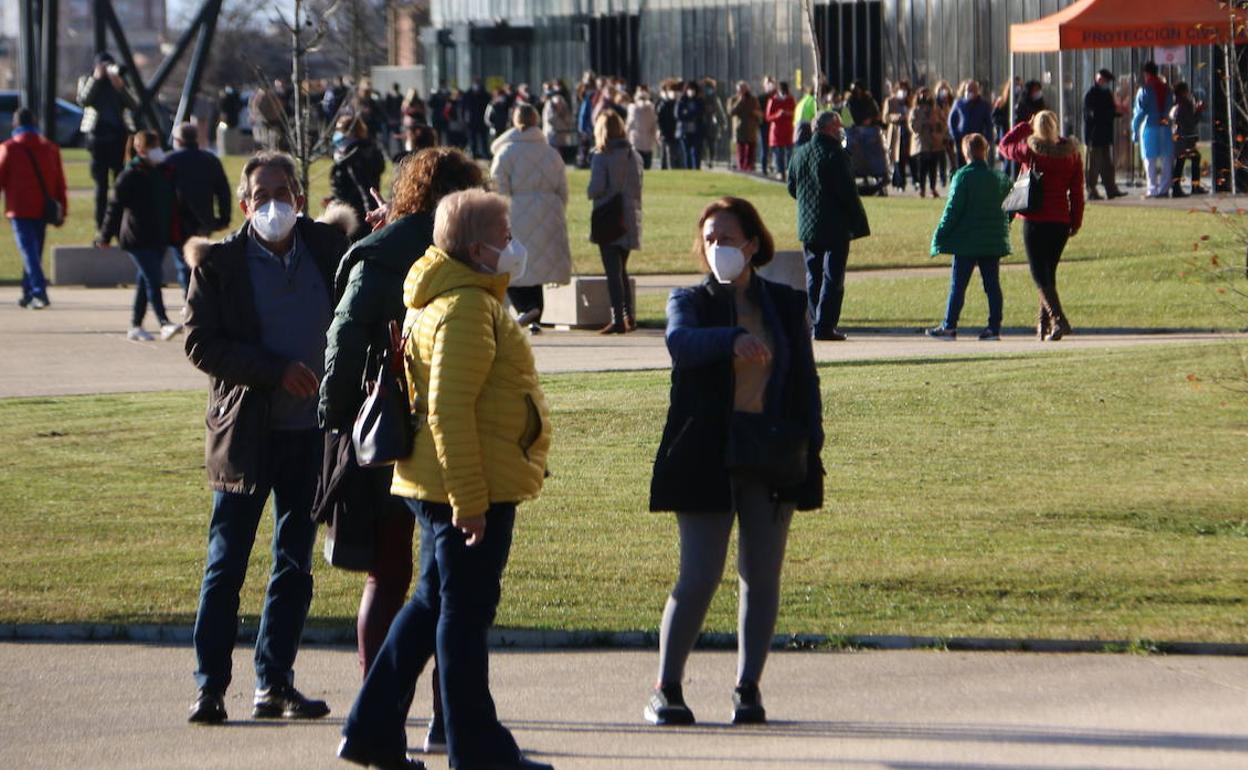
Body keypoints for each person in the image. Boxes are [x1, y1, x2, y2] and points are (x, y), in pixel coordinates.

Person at [336, 188, 553, 770]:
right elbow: (448, 411)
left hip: (447, 485)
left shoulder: (459, 296)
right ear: (478, 246)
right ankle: (475, 748)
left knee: (435, 604)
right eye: (505, 234)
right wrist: (470, 502)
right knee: (462, 617)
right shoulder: (463, 306)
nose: (514, 244)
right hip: (466, 489)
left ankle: (372, 730)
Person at [320, 146, 485, 756]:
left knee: (390, 578)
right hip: (444, 436)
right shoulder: (464, 248)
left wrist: (333, 420)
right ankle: (446, 717)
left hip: (383, 432)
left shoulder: (381, 250)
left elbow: (342, 335)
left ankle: (380, 710)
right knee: (449, 585)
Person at [182, 151, 353, 725]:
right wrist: (272, 369)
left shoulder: (328, 250)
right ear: (243, 202)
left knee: (294, 564)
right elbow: (201, 344)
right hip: (246, 438)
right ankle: (210, 687)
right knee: (226, 563)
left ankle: (274, 682)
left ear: (300, 199)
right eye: (261, 194)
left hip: (310, 437)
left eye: (283, 192)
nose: (273, 204)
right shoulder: (219, 263)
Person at [645, 195, 823, 727]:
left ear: (753, 243)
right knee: (698, 575)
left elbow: (805, 382)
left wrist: (810, 447)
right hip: (706, 453)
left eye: (727, 238)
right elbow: (680, 342)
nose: (718, 247)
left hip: (771, 451)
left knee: (761, 575)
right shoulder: (690, 301)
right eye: (709, 239)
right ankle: (666, 688)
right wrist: (731, 339)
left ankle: (748, 688)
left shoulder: (787, 305)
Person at [999, 110, 1084, 341]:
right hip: (1060, 221)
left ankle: (1058, 318)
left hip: (1035, 219)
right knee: (1048, 274)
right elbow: (1076, 192)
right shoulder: (1072, 155)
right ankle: (1044, 325)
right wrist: (1076, 221)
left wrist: (1023, 127)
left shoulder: (1030, 150)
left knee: (1039, 274)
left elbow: (1004, 146)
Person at [787, 111, 870, 342]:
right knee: (833, 277)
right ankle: (825, 325)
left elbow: (792, 188)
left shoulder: (799, 153)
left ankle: (816, 322)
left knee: (813, 275)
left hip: (808, 225)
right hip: (835, 225)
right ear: (829, 129)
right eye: (838, 126)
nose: (840, 130)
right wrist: (858, 220)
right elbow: (848, 193)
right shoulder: (836, 155)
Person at [95, 130, 184, 341]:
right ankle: (164, 322)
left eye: (158, 147)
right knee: (153, 278)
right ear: (140, 149)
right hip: (137, 237)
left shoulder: (164, 172)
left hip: (160, 236)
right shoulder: (130, 175)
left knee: (146, 281)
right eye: (153, 147)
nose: (158, 152)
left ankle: (135, 325)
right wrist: (105, 236)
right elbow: (114, 208)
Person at [491, 104, 573, 333]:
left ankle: (525, 307)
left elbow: (499, 188)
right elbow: (562, 188)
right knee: (538, 266)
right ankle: (536, 311)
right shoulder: (550, 153)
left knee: (512, 265)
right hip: (549, 210)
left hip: (516, 211)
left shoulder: (505, 153)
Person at [925, 134, 1012, 341]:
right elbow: (1011, 206)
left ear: (966, 153)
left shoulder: (963, 177)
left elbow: (952, 210)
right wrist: (1004, 224)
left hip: (966, 241)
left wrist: (939, 235)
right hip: (991, 240)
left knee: (958, 285)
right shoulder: (998, 178)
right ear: (986, 150)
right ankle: (994, 327)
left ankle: (950, 325)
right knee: (992, 285)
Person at [0, 107, 67, 310]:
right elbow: (59, 182)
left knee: (29, 251)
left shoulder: (9, 148)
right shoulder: (50, 148)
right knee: (34, 251)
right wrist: (62, 207)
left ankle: (39, 291)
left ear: (15, 124)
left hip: (19, 208)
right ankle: (28, 291)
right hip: (43, 208)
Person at [588, 111, 644, 334]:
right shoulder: (634, 155)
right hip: (630, 216)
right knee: (622, 269)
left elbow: (597, 187)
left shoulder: (602, 156)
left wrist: (589, 192)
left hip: (609, 216)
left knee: (612, 271)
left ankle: (618, 319)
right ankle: (629, 316)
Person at [166, 123, 232, 297]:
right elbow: (223, 191)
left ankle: (190, 297)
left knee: (183, 262)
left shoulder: (169, 161)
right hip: (205, 219)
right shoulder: (210, 160)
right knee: (200, 259)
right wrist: (224, 218)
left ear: (178, 140)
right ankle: (201, 294)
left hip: (177, 220)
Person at [78, 52, 138, 230]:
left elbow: (134, 104)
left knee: (120, 184)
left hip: (119, 137)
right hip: (97, 138)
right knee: (101, 186)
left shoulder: (119, 81)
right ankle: (101, 225)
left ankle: (120, 224)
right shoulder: (87, 79)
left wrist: (120, 87)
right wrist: (96, 79)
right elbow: (83, 100)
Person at [330, 115, 387, 241]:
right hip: (357, 213)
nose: (337, 134)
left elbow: (365, 189)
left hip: (354, 218)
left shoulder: (354, 158)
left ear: (351, 133)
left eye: (341, 130)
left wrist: (372, 217)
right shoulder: (367, 151)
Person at [1132, 62, 1175, 199]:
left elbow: (1139, 112)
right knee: (1166, 157)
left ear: (1146, 74)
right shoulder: (1166, 88)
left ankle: (1152, 189)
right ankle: (1164, 188)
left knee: (1149, 159)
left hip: (1149, 126)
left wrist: (1134, 129)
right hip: (1165, 126)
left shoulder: (1144, 90)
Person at [1083, 69, 1127, 200]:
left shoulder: (1107, 93)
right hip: (1094, 136)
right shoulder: (1090, 94)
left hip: (1105, 135)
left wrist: (1119, 111)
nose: (1107, 84)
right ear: (1099, 79)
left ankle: (1111, 189)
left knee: (1107, 164)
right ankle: (1091, 190)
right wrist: (1111, 111)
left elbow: (1111, 110)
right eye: (1106, 81)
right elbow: (1093, 115)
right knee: (1093, 165)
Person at [908, 86, 947, 198]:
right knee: (922, 167)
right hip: (921, 143)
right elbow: (913, 127)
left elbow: (944, 124)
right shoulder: (915, 110)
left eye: (927, 93)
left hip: (934, 143)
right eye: (922, 93)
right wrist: (924, 122)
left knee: (933, 167)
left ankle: (933, 188)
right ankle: (922, 189)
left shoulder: (936, 109)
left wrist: (937, 125)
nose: (924, 96)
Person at [1170, 82, 1206, 197]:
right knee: (1190, 159)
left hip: (1179, 137)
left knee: (1182, 161)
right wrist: (1199, 110)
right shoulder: (1185, 104)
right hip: (1184, 139)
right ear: (1182, 92)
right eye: (1186, 90)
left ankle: (1178, 188)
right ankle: (1192, 187)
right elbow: (1191, 122)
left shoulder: (1177, 104)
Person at [949, 80, 994, 169]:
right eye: (968, 90)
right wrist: (955, 134)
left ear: (977, 91)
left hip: (977, 141)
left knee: (976, 164)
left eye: (973, 90)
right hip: (961, 139)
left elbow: (989, 123)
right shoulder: (959, 103)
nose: (970, 92)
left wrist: (988, 138)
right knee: (961, 165)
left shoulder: (983, 105)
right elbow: (951, 120)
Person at [764, 82, 796, 179]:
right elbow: (768, 117)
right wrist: (778, 114)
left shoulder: (790, 99)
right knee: (779, 154)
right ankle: (780, 172)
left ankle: (790, 172)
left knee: (790, 153)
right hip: (777, 131)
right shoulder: (773, 100)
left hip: (788, 130)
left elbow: (795, 112)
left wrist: (788, 113)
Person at [728, 81, 762, 172]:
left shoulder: (753, 99)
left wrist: (756, 114)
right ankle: (741, 167)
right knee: (741, 150)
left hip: (751, 129)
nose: (742, 91)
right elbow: (731, 112)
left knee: (751, 149)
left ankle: (750, 167)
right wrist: (739, 101)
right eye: (740, 89)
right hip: (739, 129)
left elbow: (760, 113)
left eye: (744, 89)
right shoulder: (733, 99)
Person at [885, 80, 912, 191]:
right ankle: (900, 182)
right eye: (901, 89)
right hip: (896, 131)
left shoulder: (910, 102)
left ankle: (900, 181)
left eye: (905, 89)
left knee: (905, 158)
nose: (903, 92)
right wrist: (897, 117)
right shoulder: (890, 101)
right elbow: (885, 117)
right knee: (897, 157)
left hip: (907, 131)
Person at [542, 87, 578, 165]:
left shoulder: (564, 105)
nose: (560, 105)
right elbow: (549, 119)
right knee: (551, 149)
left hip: (562, 132)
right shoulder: (549, 105)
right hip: (552, 133)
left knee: (561, 150)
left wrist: (563, 115)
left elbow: (569, 120)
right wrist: (558, 113)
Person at [627, 86, 660, 170]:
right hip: (648, 142)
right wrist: (655, 139)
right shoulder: (651, 109)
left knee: (636, 167)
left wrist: (625, 135)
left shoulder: (632, 108)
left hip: (636, 141)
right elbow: (654, 125)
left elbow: (630, 124)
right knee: (647, 166)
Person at [676, 82, 704, 171]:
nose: (691, 91)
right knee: (687, 152)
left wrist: (688, 114)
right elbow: (678, 115)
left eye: (693, 90)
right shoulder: (682, 101)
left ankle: (696, 169)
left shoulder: (699, 101)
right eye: (689, 89)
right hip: (685, 131)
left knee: (695, 152)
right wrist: (690, 115)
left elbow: (700, 114)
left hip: (696, 131)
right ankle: (688, 170)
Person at [657, 81, 683, 170]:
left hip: (676, 134)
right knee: (668, 156)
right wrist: (661, 131)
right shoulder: (663, 104)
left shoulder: (679, 103)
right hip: (667, 134)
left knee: (674, 155)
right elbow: (660, 120)